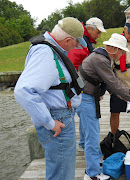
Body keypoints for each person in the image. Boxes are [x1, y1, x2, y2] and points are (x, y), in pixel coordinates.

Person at [14, 17, 87, 180]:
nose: (77, 46)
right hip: (58, 120)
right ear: (68, 40)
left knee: (62, 169)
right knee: (62, 173)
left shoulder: (50, 48)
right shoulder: (45, 52)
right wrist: (49, 122)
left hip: (60, 117)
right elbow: (23, 91)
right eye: (76, 43)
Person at [79, 33, 130, 180]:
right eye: (122, 51)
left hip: (84, 95)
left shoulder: (100, 56)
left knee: (87, 133)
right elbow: (113, 82)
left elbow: (107, 81)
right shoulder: (101, 60)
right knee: (93, 135)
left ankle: (94, 161)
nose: (122, 54)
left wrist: (119, 94)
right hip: (85, 98)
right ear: (114, 49)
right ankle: (92, 174)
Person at [68, 17, 106, 152]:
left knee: (83, 117)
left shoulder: (86, 41)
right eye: (98, 32)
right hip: (79, 87)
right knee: (84, 117)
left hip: (82, 86)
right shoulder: (80, 43)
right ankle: (85, 147)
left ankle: (83, 143)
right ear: (89, 29)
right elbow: (73, 67)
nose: (100, 35)